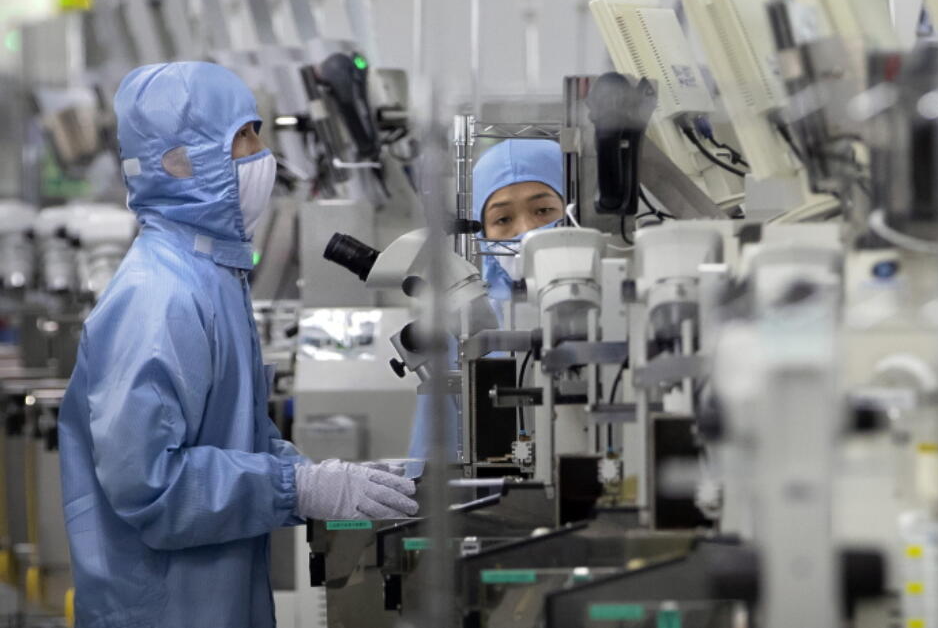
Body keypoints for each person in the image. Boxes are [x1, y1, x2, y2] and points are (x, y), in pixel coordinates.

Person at [58, 62, 418, 628]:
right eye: (241, 138)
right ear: (180, 161)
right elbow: (152, 485)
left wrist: (328, 480)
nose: (261, 154)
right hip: (163, 609)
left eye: (257, 131)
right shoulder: (158, 298)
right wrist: (295, 488)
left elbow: (230, 437)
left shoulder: (210, 275)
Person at [406, 138, 565, 476]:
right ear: (483, 235)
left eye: (543, 212)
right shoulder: (466, 329)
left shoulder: (616, 312)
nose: (526, 234)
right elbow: (433, 465)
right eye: (503, 220)